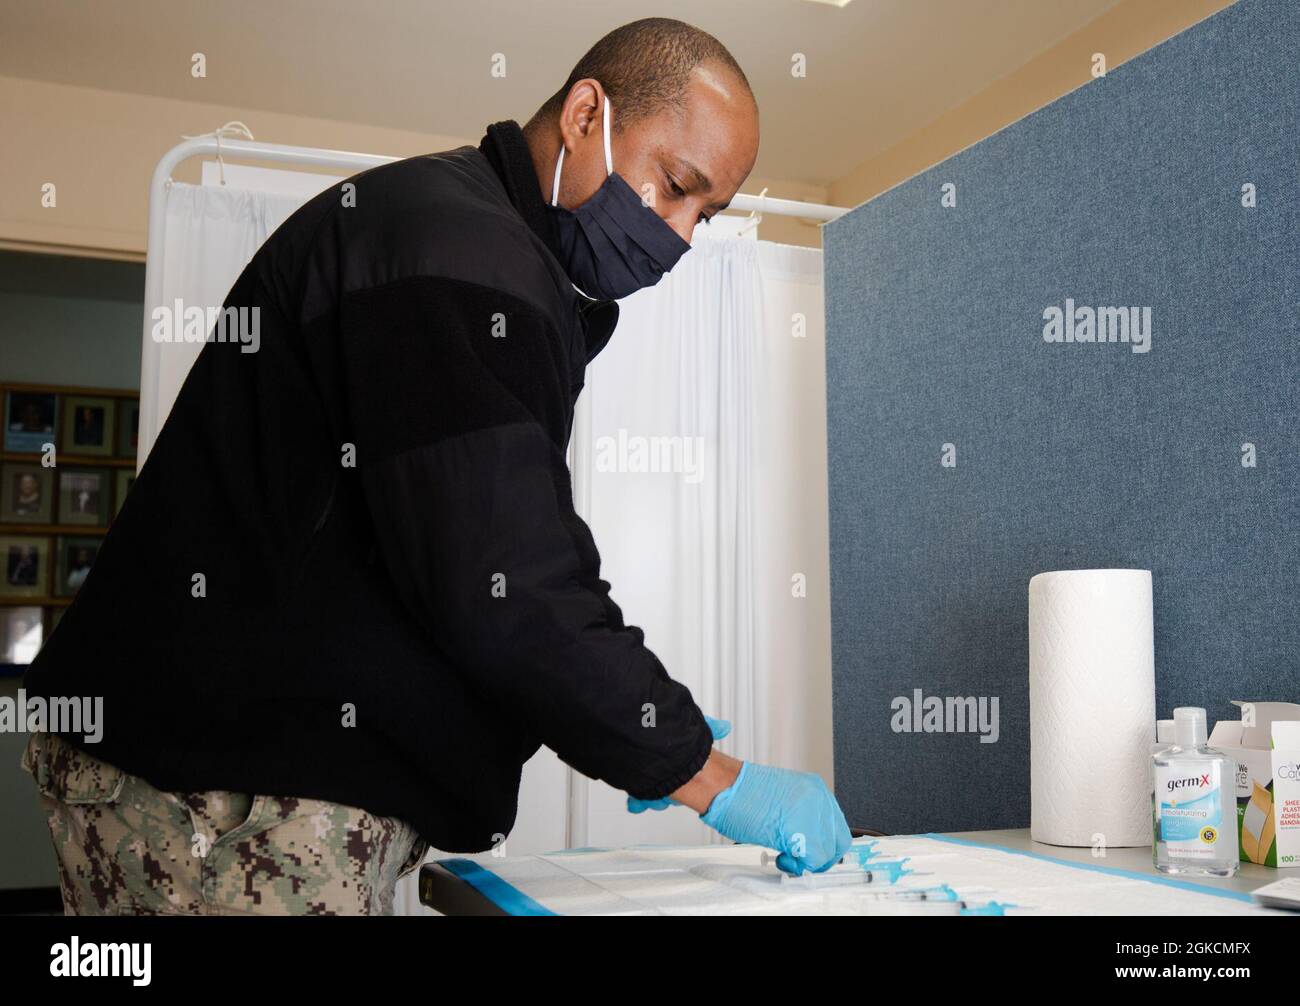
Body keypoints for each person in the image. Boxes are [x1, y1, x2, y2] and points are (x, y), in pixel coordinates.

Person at [22, 17, 851, 916]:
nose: (684, 237)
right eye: (678, 187)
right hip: (219, 796)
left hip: (220, 774)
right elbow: (506, 584)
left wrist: (623, 727)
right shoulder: (459, 251)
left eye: (708, 214)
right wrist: (705, 771)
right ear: (584, 114)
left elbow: (431, 562)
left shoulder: (465, 239)